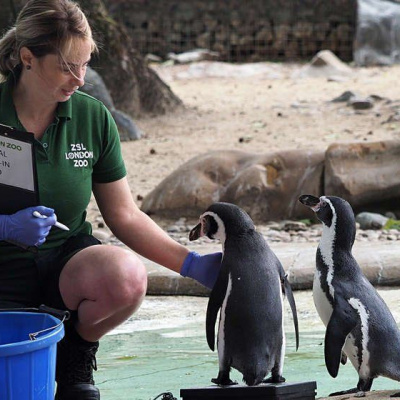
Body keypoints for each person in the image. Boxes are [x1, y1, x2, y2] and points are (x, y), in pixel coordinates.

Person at [0, 1, 221, 399]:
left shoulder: (92, 117)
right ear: (27, 58)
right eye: (67, 66)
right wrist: (4, 226)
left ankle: (75, 356)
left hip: (61, 266)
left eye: (85, 65)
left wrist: (191, 264)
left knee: (126, 276)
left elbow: (124, 215)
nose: (80, 79)